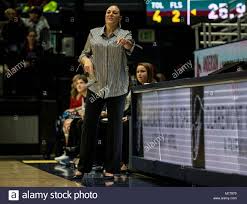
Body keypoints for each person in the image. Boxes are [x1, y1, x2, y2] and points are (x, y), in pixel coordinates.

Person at [74, 4, 134, 179]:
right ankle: (83, 166)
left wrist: (126, 44)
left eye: (115, 12)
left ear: (120, 18)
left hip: (118, 87)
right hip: (96, 86)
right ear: (105, 15)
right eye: (108, 12)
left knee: (115, 129)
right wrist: (86, 60)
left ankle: (111, 168)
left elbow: (131, 47)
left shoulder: (125, 34)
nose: (111, 14)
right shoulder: (93, 33)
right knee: (89, 126)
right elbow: (83, 53)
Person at [55, 74, 88, 164]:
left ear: (87, 84)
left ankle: (70, 153)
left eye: (81, 83)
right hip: (78, 116)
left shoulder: (88, 95)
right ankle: (68, 152)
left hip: (84, 117)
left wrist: (74, 110)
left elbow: (84, 109)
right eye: (77, 83)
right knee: (65, 123)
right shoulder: (75, 94)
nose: (78, 85)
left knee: (69, 123)